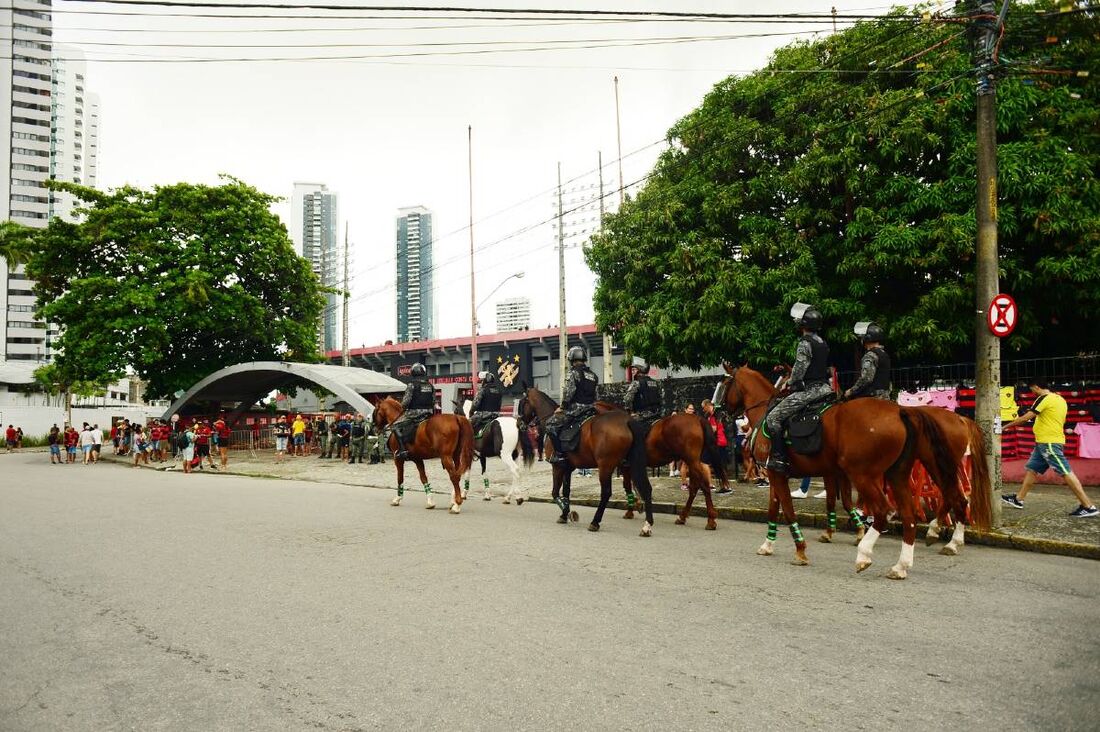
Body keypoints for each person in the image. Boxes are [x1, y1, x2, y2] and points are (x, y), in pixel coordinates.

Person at [1002, 378, 1097, 518]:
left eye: (1032, 389)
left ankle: (1088, 506)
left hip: (1049, 443)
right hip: (1045, 443)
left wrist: (1004, 427)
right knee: (1032, 470)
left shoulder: (1044, 398)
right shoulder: (1060, 399)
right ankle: (1019, 499)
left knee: (1065, 472)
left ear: (1036, 387)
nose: (1032, 392)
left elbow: (1026, 417)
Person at [764, 303, 832, 474]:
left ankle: (779, 458)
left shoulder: (804, 343)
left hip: (809, 391)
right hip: (825, 389)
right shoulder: (822, 342)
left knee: (773, 418)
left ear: (802, 325)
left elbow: (800, 368)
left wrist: (790, 382)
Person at [545, 346, 598, 465]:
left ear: (572, 359)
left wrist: (562, 407)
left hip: (576, 410)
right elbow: (596, 395)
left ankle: (560, 455)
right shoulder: (594, 375)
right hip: (591, 409)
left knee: (550, 425)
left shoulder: (573, 373)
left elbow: (569, 393)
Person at [390, 363, 436, 460]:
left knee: (395, 426)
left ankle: (402, 450)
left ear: (413, 372)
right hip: (428, 413)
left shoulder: (411, 385)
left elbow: (406, 402)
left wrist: (403, 407)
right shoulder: (430, 385)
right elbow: (433, 401)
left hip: (415, 413)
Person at [844, 321, 892, 401]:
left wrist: (851, 391)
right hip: (885, 397)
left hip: (873, 398)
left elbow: (866, 379)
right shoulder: (884, 354)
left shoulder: (870, 355)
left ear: (867, 338)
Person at [702, 399, 732, 494]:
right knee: (709, 463)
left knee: (710, 463)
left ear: (707, 405)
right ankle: (718, 485)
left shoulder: (715, 415)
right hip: (717, 442)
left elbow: (713, 429)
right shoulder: (714, 414)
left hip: (718, 442)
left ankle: (723, 486)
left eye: (703, 408)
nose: (703, 410)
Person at [623, 360, 663, 425]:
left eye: (634, 370)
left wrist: (630, 412)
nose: (632, 372)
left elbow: (627, 399)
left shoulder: (636, 383)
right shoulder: (656, 382)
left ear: (639, 370)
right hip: (657, 414)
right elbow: (661, 398)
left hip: (642, 416)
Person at [469, 371, 503, 437]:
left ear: (485, 380)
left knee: (466, 425)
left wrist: (471, 411)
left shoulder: (482, 390)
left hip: (483, 415)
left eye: (481, 380)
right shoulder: (499, 391)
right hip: (497, 415)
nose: (481, 382)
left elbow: (475, 404)